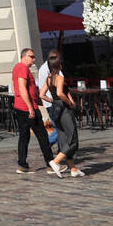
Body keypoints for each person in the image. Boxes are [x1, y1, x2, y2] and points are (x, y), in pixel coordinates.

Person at [13, 46, 64, 177]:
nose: (34, 59)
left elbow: (17, 89)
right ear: (24, 57)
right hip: (27, 108)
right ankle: (51, 163)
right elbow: (22, 89)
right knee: (42, 136)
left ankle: (23, 165)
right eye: (31, 56)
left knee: (24, 137)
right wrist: (31, 107)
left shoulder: (18, 68)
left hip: (21, 107)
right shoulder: (22, 68)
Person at [40, 50, 84, 178]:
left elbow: (41, 94)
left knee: (64, 140)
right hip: (64, 110)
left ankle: (73, 169)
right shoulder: (59, 77)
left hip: (55, 110)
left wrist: (52, 101)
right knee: (73, 141)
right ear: (59, 65)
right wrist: (68, 102)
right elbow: (60, 93)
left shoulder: (49, 78)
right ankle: (55, 161)